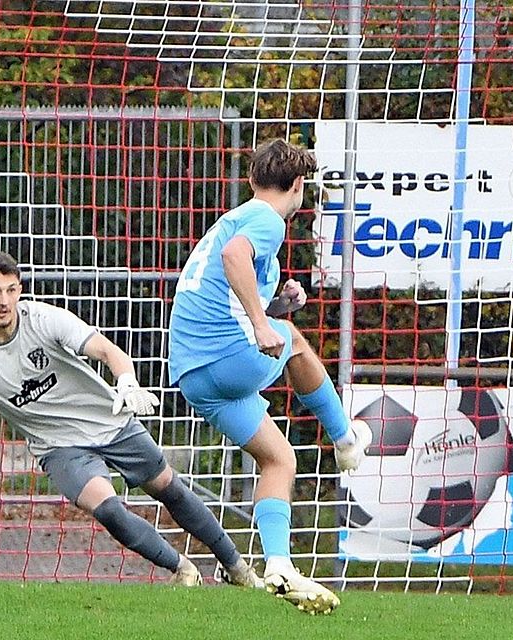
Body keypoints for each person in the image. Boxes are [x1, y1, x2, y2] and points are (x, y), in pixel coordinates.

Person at [0, 251, 261, 588]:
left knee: (170, 490)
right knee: (109, 510)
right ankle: (182, 569)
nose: (4, 301)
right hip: (59, 448)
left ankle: (236, 567)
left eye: (11, 290)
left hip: (110, 421)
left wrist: (127, 382)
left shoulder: (44, 319)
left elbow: (107, 350)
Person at [168, 139, 368, 614]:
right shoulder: (265, 219)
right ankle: (344, 438)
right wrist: (264, 324)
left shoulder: (234, 217)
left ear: (253, 178)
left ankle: (278, 564)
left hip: (193, 374)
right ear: (298, 185)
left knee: (279, 459)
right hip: (224, 357)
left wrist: (272, 309)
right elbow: (235, 257)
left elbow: (228, 290)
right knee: (295, 341)